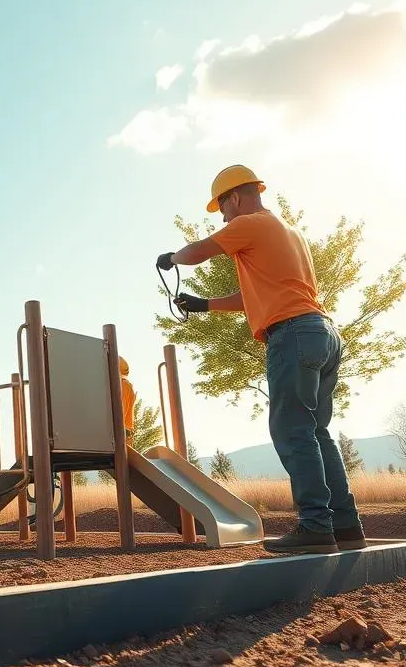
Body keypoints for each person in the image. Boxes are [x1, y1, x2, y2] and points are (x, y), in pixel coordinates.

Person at [155, 164, 365, 555]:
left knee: (292, 431)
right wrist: (204, 306)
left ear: (235, 197)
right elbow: (252, 295)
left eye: (222, 206)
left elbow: (198, 251)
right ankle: (346, 525)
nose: (223, 216)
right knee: (316, 432)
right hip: (321, 333)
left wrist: (172, 257)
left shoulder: (251, 222)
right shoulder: (287, 233)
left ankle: (316, 526)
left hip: (293, 336)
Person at [119, 356, 136, 443]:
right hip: (122, 431)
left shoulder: (123, 385)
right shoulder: (124, 384)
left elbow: (120, 412)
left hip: (122, 433)